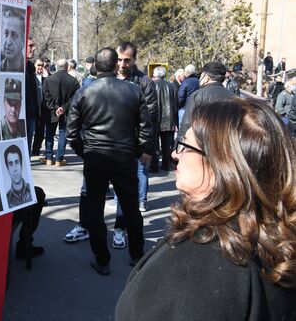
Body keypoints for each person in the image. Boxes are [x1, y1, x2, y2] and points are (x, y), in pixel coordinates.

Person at [116, 98, 296, 320]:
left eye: (186, 146)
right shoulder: (270, 235)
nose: (175, 154)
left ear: (221, 164)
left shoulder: (199, 264)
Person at [66, 47, 154, 275]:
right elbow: (146, 127)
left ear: (96, 66)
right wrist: (136, 150)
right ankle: (137, 255)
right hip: (123, 156)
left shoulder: (85, 92)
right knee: (131, 207)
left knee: (95, 209)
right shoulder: (133, 91)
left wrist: (84, 152)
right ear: (116, 66)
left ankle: (102, 260)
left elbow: (71, 132)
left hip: (96, 156)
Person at [115, 41, 157, 211]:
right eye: (119, 60)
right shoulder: (109, 79)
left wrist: (148, 148)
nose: (122, 64)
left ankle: (141, 200)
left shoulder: (144, 82)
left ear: (134, 60)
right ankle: (120, 203)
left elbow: (152, 116)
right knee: (118, 177)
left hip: (136, 140)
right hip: (114, 141)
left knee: (140, 170)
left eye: (127, 60)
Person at [178, 62, 235, 141]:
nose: (199, 78)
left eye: (201, 76)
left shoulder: (198, 95)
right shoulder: (232, 96)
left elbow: (187, 123)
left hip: (203, 143)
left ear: (206, 78)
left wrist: (179, 144)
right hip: (226, 144)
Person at [42, 58, 80, 166]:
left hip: (51, 112)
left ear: (57, 67)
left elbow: (46, 96)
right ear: (67, 67)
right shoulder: (73, 81)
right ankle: (59, 159)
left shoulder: (49, 80)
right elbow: (75, 97)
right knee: (62, 134)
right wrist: (63, 108)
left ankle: (49, 157)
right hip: (66, 112)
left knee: (49, 134)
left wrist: (55, 108)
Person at [150, 66, 177, 171]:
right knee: (166, 145)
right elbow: (176, 104)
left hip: (155, 119)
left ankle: (154, 165)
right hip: (169, 119)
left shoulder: (152, 85)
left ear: (155, 74)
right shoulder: (172, 86)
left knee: (155, 144)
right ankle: (166, 164)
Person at [31, 57, 50, 156]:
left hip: (42, 110)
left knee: (40, 132)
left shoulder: (46, 77)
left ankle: (36, 149)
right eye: (38, 65)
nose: (40, 67)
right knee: (31, 131)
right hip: (33, 109)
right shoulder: (31, 77)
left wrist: (46, 77)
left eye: (42, 65)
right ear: (34, 65)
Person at [24, 38, 39, 152]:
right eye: (30, 45)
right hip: (19, 116)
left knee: (27, 150)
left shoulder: (30, 67)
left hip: (31, 115)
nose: (34, 48)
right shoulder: (14, 66)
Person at [0, 7, 25, 72]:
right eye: (6, 33)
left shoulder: (28, 71)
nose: (8, 42)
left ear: (23, 42)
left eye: (14, 35)